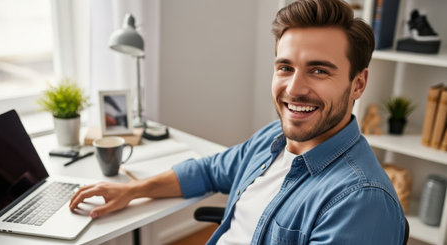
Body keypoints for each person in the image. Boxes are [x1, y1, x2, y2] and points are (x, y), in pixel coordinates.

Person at [70, 0, 406, 244]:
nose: (294, 88)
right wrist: (132, 191)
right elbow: (209, 170)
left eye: (319, 70)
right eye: (285, 67)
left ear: (358, 84)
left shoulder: (360, 201)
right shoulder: (273, 138)